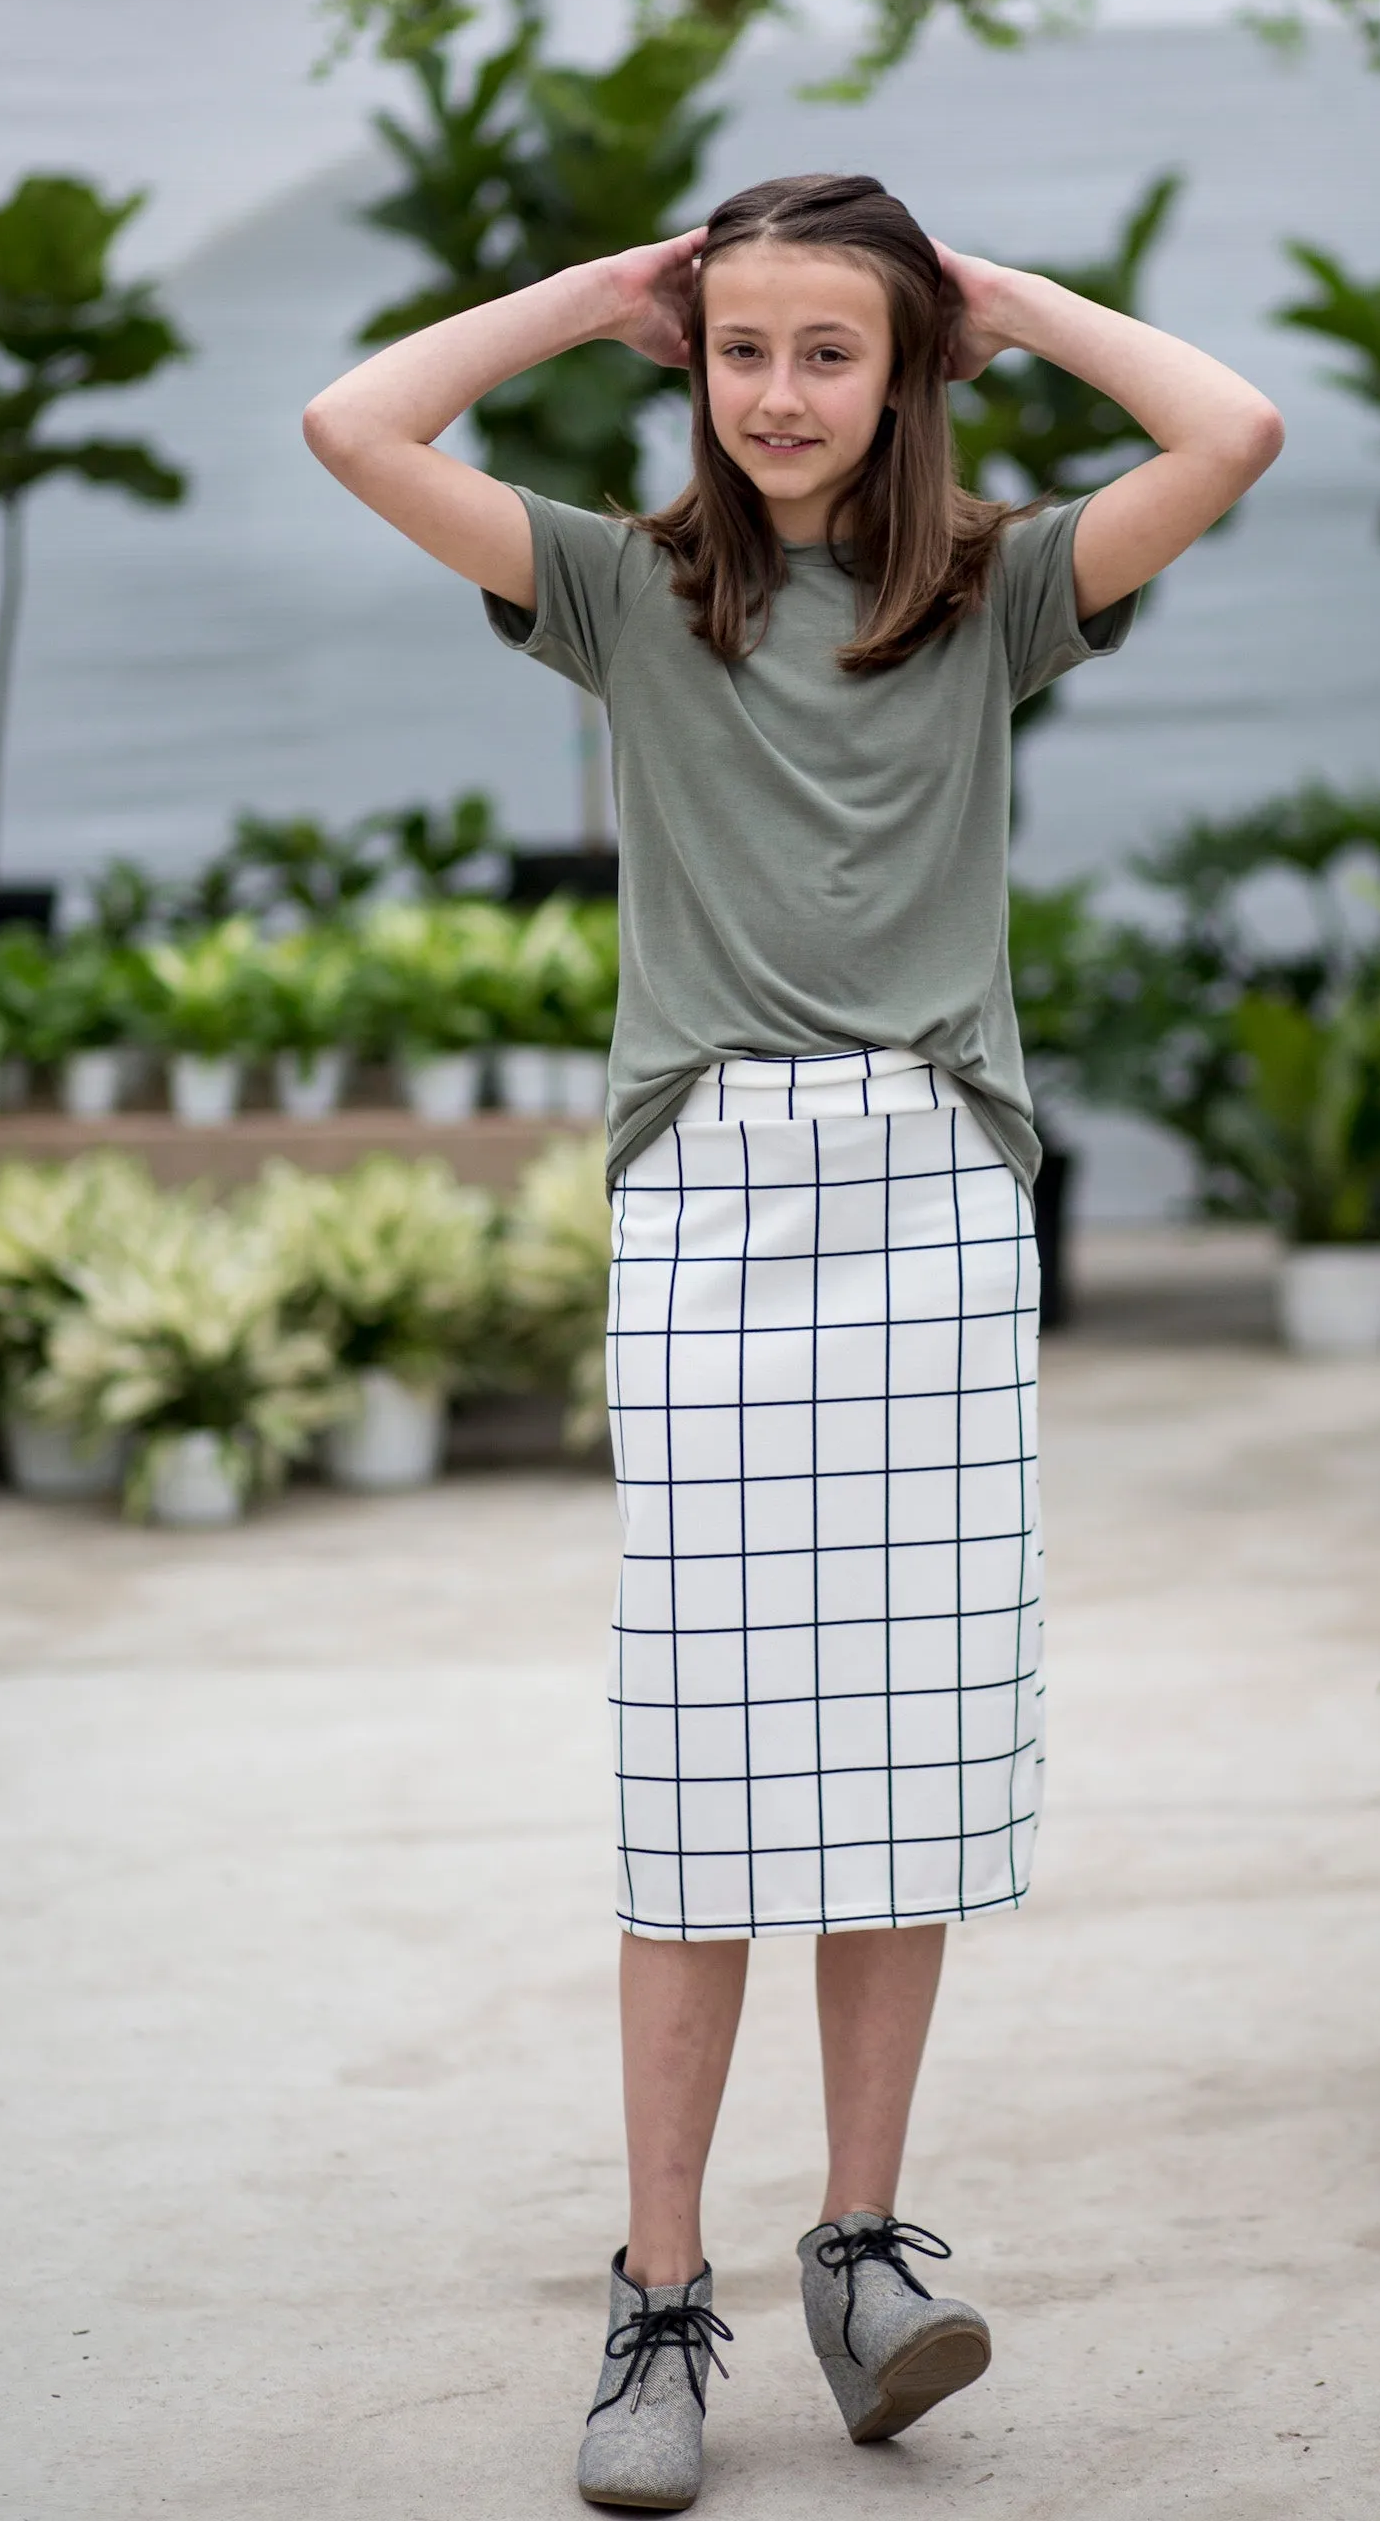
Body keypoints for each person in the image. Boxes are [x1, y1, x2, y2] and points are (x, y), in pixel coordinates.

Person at [302, 170, 1282, 2509]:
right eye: (740, 349)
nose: (776, 393)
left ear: (903, 370)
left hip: (934, 1196)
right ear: (691, 359)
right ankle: (659, 2304)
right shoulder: (620, 593)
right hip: (717, 1200)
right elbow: (355, 420)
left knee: (907, 1753)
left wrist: (985, 304)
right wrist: (602, 295)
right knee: (704, 1770)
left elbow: (1230, 428)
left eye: (828, 352)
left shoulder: (992, 595)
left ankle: (860, 2247)